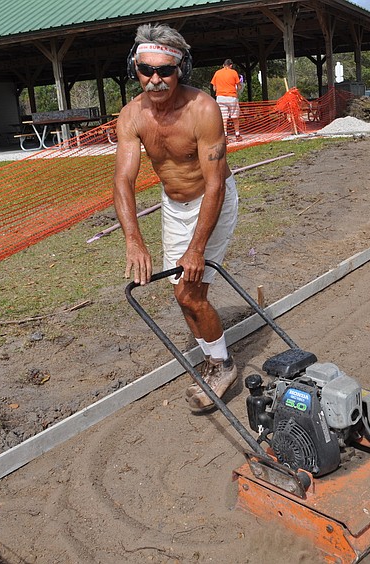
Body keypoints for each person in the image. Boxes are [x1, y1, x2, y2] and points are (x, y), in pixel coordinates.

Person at [113, 23, 239, 413]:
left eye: (164, 70)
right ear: (134, 69)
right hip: (174, 206)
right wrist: (134, 239)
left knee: (189, 292)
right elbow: (123, 180)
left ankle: (223, 365)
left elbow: (215, 184)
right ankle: (213, 356)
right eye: (146, 70)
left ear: (180, 69)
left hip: (212, 201)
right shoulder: (131, 116)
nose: (155, 79)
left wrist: (196, 249)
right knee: (180, 293)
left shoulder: (203, 110)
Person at [210, 58, 243, 141]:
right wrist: (237, 89)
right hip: (231, 97)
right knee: (235, 117)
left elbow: (214, 88)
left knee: (224, 118)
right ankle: (237, 135)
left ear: (223, 65)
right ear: (231, 65)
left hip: (220, 98)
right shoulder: (234, 72)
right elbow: (239, 86)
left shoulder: (217, 73)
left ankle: (225, 136)